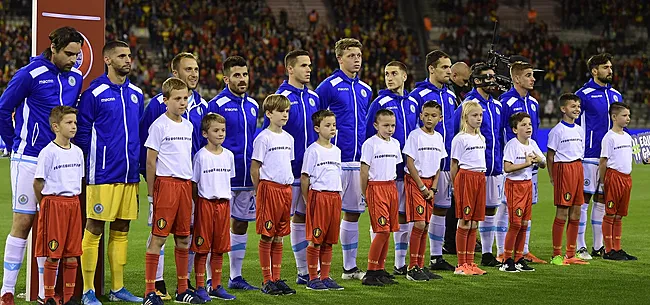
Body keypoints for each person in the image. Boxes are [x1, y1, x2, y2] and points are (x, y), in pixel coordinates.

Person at [0, 26, 84, 305]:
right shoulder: (29, 74)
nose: (73, 60)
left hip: (60, 160)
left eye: (77, 54)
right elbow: (3, 107)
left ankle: (42, 294)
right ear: (54, 49)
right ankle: (7, 290)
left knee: (51, 227)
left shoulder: (76, 78)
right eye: (69, 54)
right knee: (23, 222)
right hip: (29, 158)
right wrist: (13, 143)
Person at [76, 40, 144, 304]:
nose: (128, 60)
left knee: (122, 227)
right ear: (107, 60)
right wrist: (91, 163)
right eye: (122, 56)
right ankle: (88, 291)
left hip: (128, 174)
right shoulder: (94, 94)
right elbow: (82, 132)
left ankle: (118, 288)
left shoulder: (136, 94)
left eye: (129, 56)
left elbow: (138, 131)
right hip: (102, 172)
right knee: (94, 226)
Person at [139, 52, 206, 298]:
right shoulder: (158, 119)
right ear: (166, 99)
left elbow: (193, 152)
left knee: (183, 237)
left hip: (185, 185)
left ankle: (182, 288)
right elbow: (149, 156)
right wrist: (151, 192)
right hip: (165, 185)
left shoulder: (190, 122)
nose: (182, 103)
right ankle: (152, 289)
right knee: (159, 236)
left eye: (185, 98)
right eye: (177, 99)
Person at [316, 38, 372, 280]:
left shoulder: (366, 89)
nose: (356, 59)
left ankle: (349, 268)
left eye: (358, 55)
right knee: (325, 214)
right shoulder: (327, 86)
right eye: (351, 55)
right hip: (333, 161)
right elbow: (315, 119)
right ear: (339, 59)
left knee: (353, 213)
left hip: (356, 161)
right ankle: (315, 269)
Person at [264, 50, 320, 285]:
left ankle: (305, 272)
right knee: (283, 224)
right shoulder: (281, 96)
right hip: (288, 171)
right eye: (304, 65)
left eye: (310, 65)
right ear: (290, 69)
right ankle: (282, 274)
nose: (308, 69)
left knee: (306, 218)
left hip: (311, 170)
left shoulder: (314, 97)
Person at [205, 56, 259, 291]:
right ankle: (209, 278)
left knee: (241, 225)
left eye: (245, 74)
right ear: (226, 78)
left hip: (246, 177)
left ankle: (235, 277)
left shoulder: (254, 105)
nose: (242, 79)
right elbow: (205, 140)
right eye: (237, 75)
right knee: (216, 226)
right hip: (222, 176)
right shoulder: (216, 104)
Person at [365, 61, 417, 275]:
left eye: (394, 73)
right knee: (381, 219)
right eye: (386, 73)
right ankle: (377, 266)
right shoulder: (380, 101)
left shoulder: (413, 102)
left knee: (402, 216)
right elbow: (369, 132)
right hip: (384, 171)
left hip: (407, 169)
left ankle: (399, 263)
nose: (389, 77)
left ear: (405, 76)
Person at [408, 50, 457, 271]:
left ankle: (436, 257)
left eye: (450, 67)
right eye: (445, 67)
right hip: (422, 167)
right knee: (417, 216)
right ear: (431, 68)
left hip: (444, 162)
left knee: (441, 209)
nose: (450, 71)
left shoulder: (450, 95)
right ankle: (407, 262)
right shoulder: (417, 95)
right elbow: (412, 130)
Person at [453, 62, 503, 268]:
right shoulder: (467, 104)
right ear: (477, 80)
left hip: (491, 168)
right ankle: (463, 261)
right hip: (468, 174)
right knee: (466, 219)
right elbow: (456, 132)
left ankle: (485, 254)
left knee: (488, 211)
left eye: (493, 76)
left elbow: (499, 136)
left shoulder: (497, 105)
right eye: (487, 77)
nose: (492, 80)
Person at [575, 53, 624, 260]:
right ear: (594, 71)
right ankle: (580, 246)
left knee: (602, 201)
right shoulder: (582, 95)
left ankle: (598, 246)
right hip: (590, 155)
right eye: (605, 67)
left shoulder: (616, 95)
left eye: (610, 67)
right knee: (584, 200)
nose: (610, 70)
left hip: (610, 158)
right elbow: (575, 124)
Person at [34, 106, 84, 305]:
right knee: (53, 254)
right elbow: (38, 183)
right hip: (54, 204)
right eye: (69, 123)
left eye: (75, 123)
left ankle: (69, 297)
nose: (74, 127)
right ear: (56, 126)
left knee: (72, 254)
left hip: (73, 204)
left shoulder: (78, 152)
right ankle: (48, 297)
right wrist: (45, 204)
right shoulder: (48, 152)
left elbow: (79, 181)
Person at [498, 61, 546, 264]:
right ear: (516, 78)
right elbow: (500, 132)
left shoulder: (534, 103)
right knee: (504, 208)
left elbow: (532, 133)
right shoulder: (505, 102)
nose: (533, 78)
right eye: (528, 75)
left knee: (527, 210)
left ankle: (523, 251)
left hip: (529, 166)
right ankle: (503, 252)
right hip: (510, 166)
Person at [251, 94, 296, 296]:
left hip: (286, 189)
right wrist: (259, 189)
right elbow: (255, 168)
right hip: (269, 189)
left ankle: (277, 278)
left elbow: (287, 163)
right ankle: (267, 280)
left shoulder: (289, 138)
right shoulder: (263, 138)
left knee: (279, 236)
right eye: (280, 111)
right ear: (269, 113)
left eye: (287, 111)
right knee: (267, 235)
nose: (284, 115)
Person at [190, 113, 237, 301]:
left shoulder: (229, 156)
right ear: (204, 133)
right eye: (215, 130)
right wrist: (198, 205)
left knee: (219, 247)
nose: (220, 134)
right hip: (205, 204)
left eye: (223, 130)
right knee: (202, 247)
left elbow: (228, 182)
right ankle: (200, 286)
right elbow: (194, 184)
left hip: (224, 205)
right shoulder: (200, 156)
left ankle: (216, 285)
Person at [301, 109, 345, 291]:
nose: (332, 128)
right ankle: (312, 278)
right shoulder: (313, 151)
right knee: (316, 239)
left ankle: (325, 276)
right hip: (319, 197)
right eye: (328, 125)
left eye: (334, 125)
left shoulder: (337, 151)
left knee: (329, 240)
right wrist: (307, 199)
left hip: (334, 197)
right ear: (317, 128)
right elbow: (305, 177)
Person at [403, 101, 446, 281]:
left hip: (430, 185)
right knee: (419, 224)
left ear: (440, 118)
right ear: (421, 115)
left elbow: (438, 165)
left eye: (433, 115)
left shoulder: (438, 137)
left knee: (426, 225)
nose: (429, 118)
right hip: (416, 182)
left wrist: (434, 187)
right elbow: (410, 162)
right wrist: (422, 186)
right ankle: (412, 268)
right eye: (426, 115)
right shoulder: (415, 136)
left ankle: (420, 265)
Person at [500, 112, 546, 273]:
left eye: (530, 125)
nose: (528, 127)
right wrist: (526, 164)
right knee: (516, 223)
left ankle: (519, 259)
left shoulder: (532, 144)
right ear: (514, 129)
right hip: (515, 186)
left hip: (527, 185)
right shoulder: (512, 145)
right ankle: (506, 260)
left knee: (525, 224)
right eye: (523, 125)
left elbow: (543, 163)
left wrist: (538, 160)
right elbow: (507, 168)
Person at [547, 93, 589, 266]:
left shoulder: (580, 130)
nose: (577, 109)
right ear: (563, 109)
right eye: (573, 106)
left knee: (577, 211)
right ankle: (557, 255)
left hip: (578, 168)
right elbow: (550, 156)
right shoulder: (557, 131)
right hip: (563, 169)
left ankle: (571, 253)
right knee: (563, 211)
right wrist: (553, 178)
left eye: (578, 106)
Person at [360, 109, 401, 286]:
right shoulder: (370, 144)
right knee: (382, 230)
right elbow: (364, 171)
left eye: (392, 125)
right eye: (385, 125)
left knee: (388, 230)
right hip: (376, 188)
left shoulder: (395, 144)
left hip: (390, 187)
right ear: (376, 125)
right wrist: (366, 193)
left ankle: (380, 269)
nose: (390, 129)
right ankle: (370, 272)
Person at [450, 101, 487, 276]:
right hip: (466, 178)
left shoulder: (481, 138)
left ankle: (471, 263)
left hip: (480, 178)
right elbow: (454, 165)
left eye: (480, 115)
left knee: (474, 223)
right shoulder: (460, 139)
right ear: (466, 117)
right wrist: (455, 186)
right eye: (474, 115)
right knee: (464, 221)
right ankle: (461, 264)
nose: (478, 118)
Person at [599, 102, 636, 261]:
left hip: (627, 178)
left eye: (628, 115)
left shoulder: (628, 137)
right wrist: (603, 182)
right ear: (614, 117)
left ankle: (617, 248)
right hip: (614, 177)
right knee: (610, 214)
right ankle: (608, 250)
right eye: (624, 115)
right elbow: (603, 161)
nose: (628, 118)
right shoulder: (609, 137)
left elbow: (632, 156)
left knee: (619, 215)